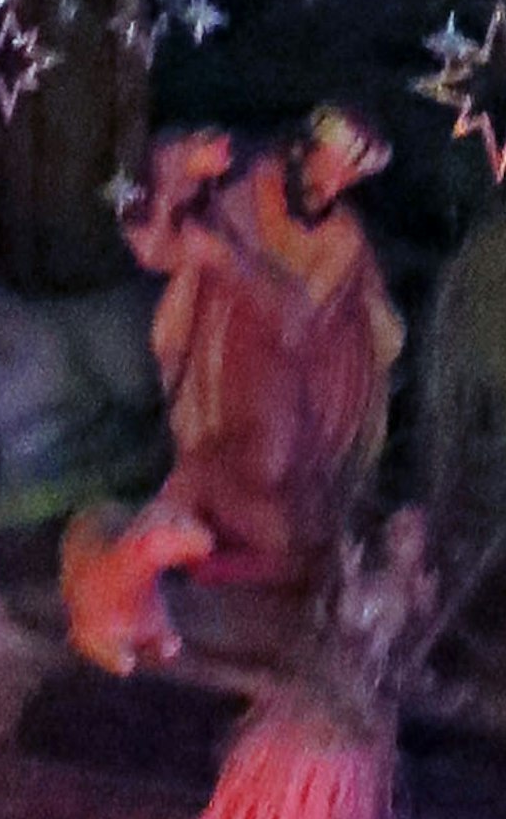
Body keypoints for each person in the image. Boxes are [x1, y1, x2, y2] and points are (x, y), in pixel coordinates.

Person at [122, 110, 406, 590]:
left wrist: (229, 263)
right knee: (206, 472)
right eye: (332, 166)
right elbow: (148, 238)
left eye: (350, 176)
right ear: (304, 150)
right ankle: (148, 561)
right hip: (223, 367)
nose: (336, 185)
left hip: (293, 380)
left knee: (272, 483)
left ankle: (247, 558)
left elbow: (296, 323)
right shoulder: (243, 188)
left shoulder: (342, 240)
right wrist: (178, 169)